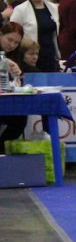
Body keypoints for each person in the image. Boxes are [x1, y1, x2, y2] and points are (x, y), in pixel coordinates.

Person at [10, 0, 60, 72]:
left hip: (50, 57)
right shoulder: (20, 10)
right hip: (30, 61)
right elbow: (13, 36)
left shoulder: (53, 8)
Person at [0, 22, 25, 152]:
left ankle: (2, 149)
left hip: (5, 100)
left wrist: (18, 76)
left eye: (16, 43)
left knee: (20, 117)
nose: (12, 45)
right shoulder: (7, 59)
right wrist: (5, 63)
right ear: (1, 34)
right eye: (9, 39)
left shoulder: (16, 55)